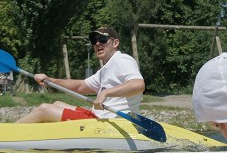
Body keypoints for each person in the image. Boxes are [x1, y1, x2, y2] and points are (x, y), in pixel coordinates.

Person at [15, 27, 144, 123]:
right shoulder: (105, 68)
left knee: (44, 109)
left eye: (103, 39)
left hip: (112, 123)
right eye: (94, 40)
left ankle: (8, 132)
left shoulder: (122, 60)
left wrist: (106, 93)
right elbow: (81, 86)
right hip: (99, 118)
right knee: (57, 103)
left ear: (115, 43)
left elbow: (138, 85)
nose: (97, 43)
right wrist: (50, 80)